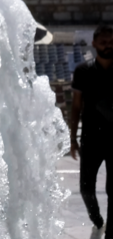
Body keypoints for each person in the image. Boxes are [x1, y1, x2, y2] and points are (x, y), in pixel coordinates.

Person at [71, 24, 113, 238]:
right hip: (91, 137)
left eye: (111, 42)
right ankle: (97, 220)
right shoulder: (83, 71)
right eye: (104, 42)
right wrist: (73, 139)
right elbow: (76, 106)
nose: (108, 46)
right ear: (94, 43)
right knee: (87, 189)